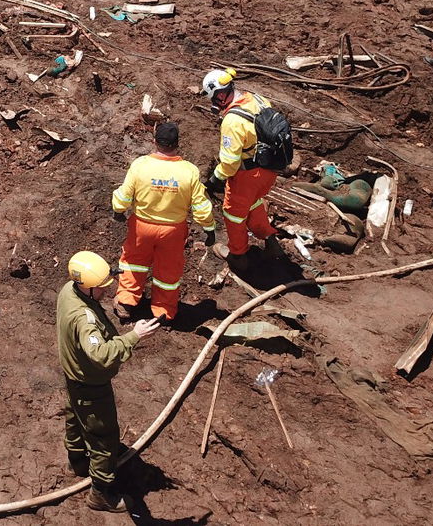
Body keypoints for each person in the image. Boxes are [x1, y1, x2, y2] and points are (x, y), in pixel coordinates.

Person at [57, 251, 159, 511]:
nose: (106, 291)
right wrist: (134, 336)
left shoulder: (69, 289)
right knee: (103, 438)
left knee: (75, 418)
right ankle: (101, 494)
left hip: (73, 378)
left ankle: (77, 463)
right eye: (102, 288)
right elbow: (100, 355)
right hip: (91, 386)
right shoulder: (84, 319)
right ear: (88, 288)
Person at [111, 122, 215, 323]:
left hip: (141, 225)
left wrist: (118, 210)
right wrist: (209, 228)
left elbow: (124, 195)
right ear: (177, 143)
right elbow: (201, 206)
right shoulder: (189, 171)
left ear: (154, 141)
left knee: (134, 262)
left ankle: (126, 302)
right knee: (168, 269)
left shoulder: (140, 165)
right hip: (173, 230)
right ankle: (163, 311)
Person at [203, 68, 291, 262]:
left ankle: (238, 255)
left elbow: (230, 163)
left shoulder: (232, 121)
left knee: (233, 213)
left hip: (248, 175)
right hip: (269, 169)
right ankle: (269, 237)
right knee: (254, 201)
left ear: (219, 96)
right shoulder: (256, 99)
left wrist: (214, 179)